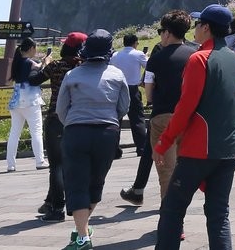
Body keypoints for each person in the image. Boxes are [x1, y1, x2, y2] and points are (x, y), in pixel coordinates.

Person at [154, 4, 235, 250]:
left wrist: (164, 142)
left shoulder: (199, 59)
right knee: (219, 214)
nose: (195, 29)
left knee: (172, 209)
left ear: (205, 28)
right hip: (229, 148)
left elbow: (185, 107)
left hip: (199, 149)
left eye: (197, 25)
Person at [56, 29, 130, 250]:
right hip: (106, 132)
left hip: (76, 132)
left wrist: (74, 122)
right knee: (96, 181)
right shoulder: (117, 75)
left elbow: (61, 109)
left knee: (76, 183)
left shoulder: (73, 75)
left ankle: (82, 236)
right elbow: (123, 106)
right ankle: (82, 231)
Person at [120, 10, 197, 206]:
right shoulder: (195, 55)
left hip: (162, 118)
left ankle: (170, 219)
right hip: (189, 117)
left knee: (166, 171)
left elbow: (149, 92)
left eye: (162, 30)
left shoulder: (156, 59)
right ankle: (180, 212)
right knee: (184, 169)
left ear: (167, 33)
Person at [30, 32, 86, 221]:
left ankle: (57, 208)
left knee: (56, 165)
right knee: (72, 164)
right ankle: (52, 201)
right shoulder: (83, 67)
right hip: (78, 120)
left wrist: (44, 64)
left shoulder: (55, 66)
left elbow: (34, 80)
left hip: (56, 119)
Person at [6, 37, 48, 172]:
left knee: (14, 133)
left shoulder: (17, 61)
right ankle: (40, 161)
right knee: (36, 131)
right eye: (35, 49)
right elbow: (41, 70)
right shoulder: (30, 62)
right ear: (31, 48)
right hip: (30, 100)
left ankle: (11, 165)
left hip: (16, 99)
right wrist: (46, 62)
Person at [110, 34, 149, 156]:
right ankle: (141, 147)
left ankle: (114, 150)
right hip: (132, 88)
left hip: (117, 89)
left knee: (117, 120)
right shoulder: (138, 54)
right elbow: (149, 66)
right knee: (137, 118)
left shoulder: (115, 55)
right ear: (135, 43)